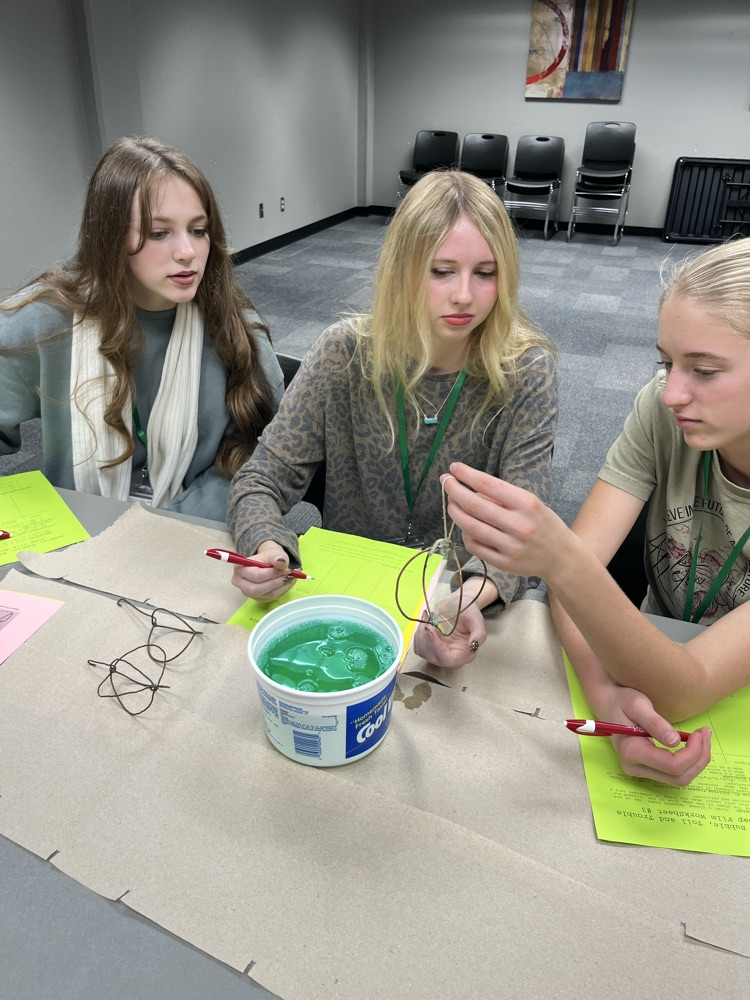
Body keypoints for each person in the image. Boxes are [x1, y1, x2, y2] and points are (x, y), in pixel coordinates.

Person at [442, 236, 750, 783]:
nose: (672, 392)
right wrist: (605, 694)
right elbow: (573, 591)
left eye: (703, 370)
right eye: (667, 362)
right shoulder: (663, 410)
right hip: (641, 658)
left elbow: (687, 684)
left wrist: (560, 558)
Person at [227, 169, 558, 668]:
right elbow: (260, 478)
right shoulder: (344, 354)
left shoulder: (527, 372)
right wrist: (266, 543)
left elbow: (522, 533)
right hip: (348, 596)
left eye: (485, 273)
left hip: (454, 595)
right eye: (440, 270)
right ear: (402, 270)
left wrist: (468, 596)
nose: (464, 295)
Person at [0, 137, 283, 520]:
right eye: (158, 233)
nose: (187, 252)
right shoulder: (47, 323)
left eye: (198, 230)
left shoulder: (236, 333)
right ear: (110, 238)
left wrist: (157, 531)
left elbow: (263, 459)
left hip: (192, 533)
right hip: (77, 531)